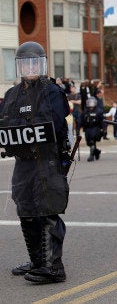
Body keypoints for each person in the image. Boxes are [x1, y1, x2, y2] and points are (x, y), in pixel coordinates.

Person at [0, 41, 70, 283]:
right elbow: (5, 123)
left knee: (48, 209)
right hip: (23, 161)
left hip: (46, 160)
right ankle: (37, 261)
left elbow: (49, 121)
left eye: (34, 62)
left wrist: (20, 128)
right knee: (25, 209)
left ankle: (54, 267)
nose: (30, 67)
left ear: (41, 64)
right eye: (25, 63)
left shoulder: (51, 92)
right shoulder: (11, 95)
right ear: (19, 66)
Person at [82, 97, 104, 162]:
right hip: (87, 128)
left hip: (95, 128)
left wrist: (103, 129)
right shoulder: (85, 111)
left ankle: (91, 156)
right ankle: (97, 152)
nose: (91, 105)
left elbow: (102, 121)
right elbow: (82, 120)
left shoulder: (99, 111)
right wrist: (78, 129)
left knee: (92, 141)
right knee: (88, 143)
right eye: (89, 103)